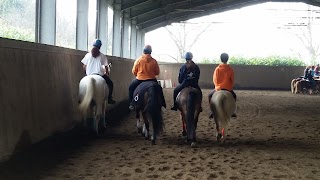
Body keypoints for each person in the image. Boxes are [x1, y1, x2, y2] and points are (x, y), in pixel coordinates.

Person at [81, 39, 116, 104]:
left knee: (82, 83)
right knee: (110, 84)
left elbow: (84, 66)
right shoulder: (103, 56)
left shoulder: (88, 55)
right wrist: (107, 73)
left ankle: (81, 98)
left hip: (89, 75)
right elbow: (106, 67)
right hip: (99, 75)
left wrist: (86, 74)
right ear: (100, 47)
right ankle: (109, 98)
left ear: (93, 45)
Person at [128, 45, 162, 110]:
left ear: (144, 51)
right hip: (152, 80)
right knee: (159, 89)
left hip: (140, 80)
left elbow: (134, 71)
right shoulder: (154, 61)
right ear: (150, 52)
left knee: (131, 88)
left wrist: (138, 75)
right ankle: (161, 103)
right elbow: (157, 72)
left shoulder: (139, 60)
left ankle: (132, 103)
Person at [208, 53, 237, 118]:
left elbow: (215, 79)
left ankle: (212, 111)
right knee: (234, 96)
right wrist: (230, 87)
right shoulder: (230, 69)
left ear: (221, 59)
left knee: (209, 96)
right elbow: (232, 80)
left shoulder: (217, 69)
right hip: (228, 88)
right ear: (227, 59)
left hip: (219, 88)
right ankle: (232, 112)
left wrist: (217, 87)